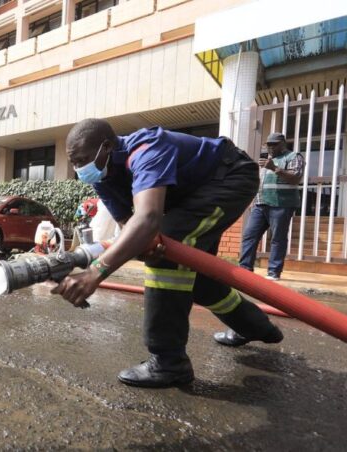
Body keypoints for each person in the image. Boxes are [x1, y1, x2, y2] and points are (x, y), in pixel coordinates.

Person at [53, 119, 283, 388]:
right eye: (75, 163)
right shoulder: (104, 177)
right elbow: (130, 225)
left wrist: (96, 271)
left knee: (170, 249)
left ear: (106, 147)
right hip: (192, 196)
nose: (79, 169)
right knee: (198, 279)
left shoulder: (146, 150)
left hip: (229, 177)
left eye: (82, 160)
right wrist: (146, 247)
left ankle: (169, 362)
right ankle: (256, 327)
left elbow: (148, 217)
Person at [239, 133, 305, 281]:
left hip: (281, 204)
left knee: (277, 239)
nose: (270, 147)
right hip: (260, 203)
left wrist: (275, 168)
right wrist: (253, 201)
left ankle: (274, 272)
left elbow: (295, 178)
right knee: (249, 236)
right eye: (268, 144)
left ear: (283, 143)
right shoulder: (266, 161)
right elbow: (261, 183)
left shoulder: (294, 157)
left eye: (274, 144)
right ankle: (245, 269)